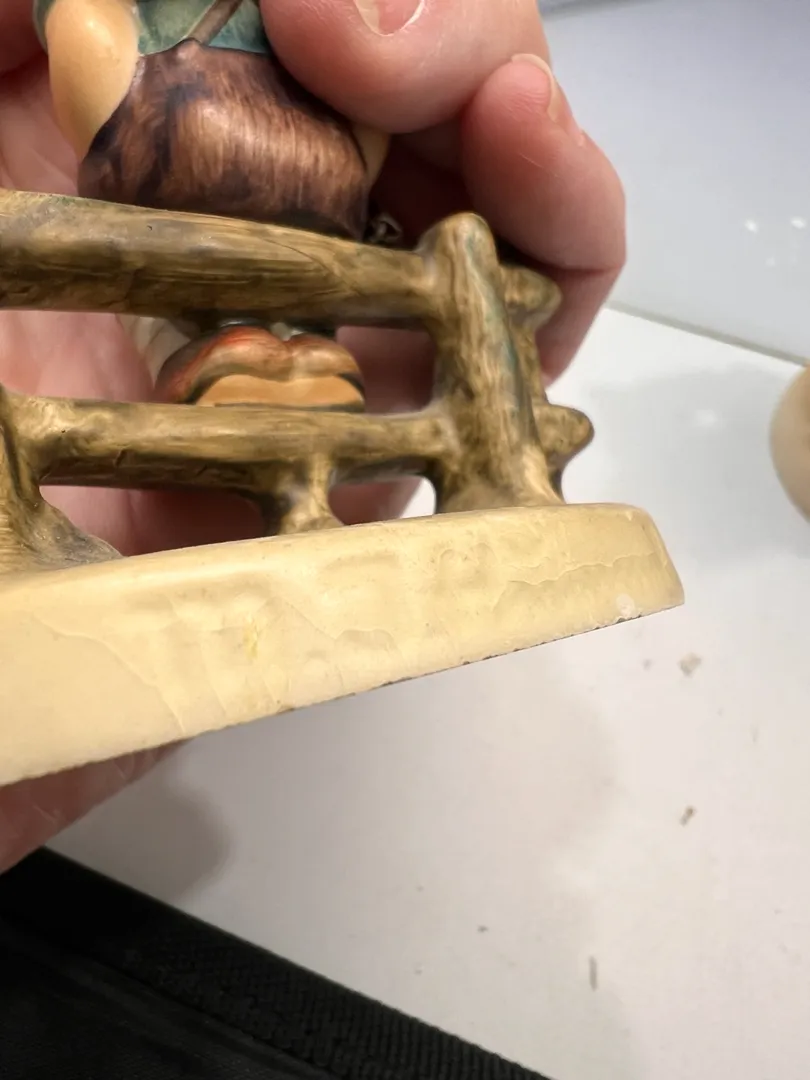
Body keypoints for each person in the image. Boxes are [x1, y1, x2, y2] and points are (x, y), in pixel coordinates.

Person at [0, 0, 625, 873]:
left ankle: (288, 351)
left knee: (292, 324)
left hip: (308, 210)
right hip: (177, 180)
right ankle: (245, 351)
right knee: (206, 315)